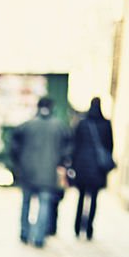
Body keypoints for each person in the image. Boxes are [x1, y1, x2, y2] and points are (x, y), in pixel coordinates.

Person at [10, 97, 70, 248]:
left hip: (27, 171)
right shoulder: (59, 126)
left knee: (26, 203)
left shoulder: (27, 125)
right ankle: (39, 237)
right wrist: (61, 162)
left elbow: (14, 145)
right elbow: (68, 148)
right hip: (48, 172)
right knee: (45, 204)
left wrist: (19, 162)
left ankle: (24, 232)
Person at [70, 97, 114, 239]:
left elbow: (75, 145)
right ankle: (88, 228)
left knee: (81, 197)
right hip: (98, 168)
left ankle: (77, 227)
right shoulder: (106, 124)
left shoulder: (82, 123)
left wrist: (73, 165)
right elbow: (110, 146)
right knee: (93, 198)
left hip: (82, 166)